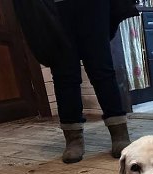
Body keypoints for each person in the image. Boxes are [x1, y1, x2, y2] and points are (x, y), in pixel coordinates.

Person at [51, 0, 131, 164]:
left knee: (102, 68)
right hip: (55, 5)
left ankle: (119, 133)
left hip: (94, 4)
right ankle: (73, 138)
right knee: (64, 74)